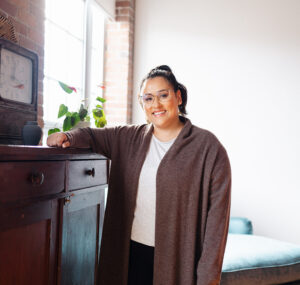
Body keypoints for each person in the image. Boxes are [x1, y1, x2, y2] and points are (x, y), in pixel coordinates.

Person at [47, 65, 231, 285]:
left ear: (178, 97)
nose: (157, 105)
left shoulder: (209, 149)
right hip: (129, 254)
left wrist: (209, 278)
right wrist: (66, 136)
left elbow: (216, 226)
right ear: (142, 103)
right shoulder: (128, 137)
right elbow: (91, 136)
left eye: (163, 95)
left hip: (177, 262)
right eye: (148, 98)